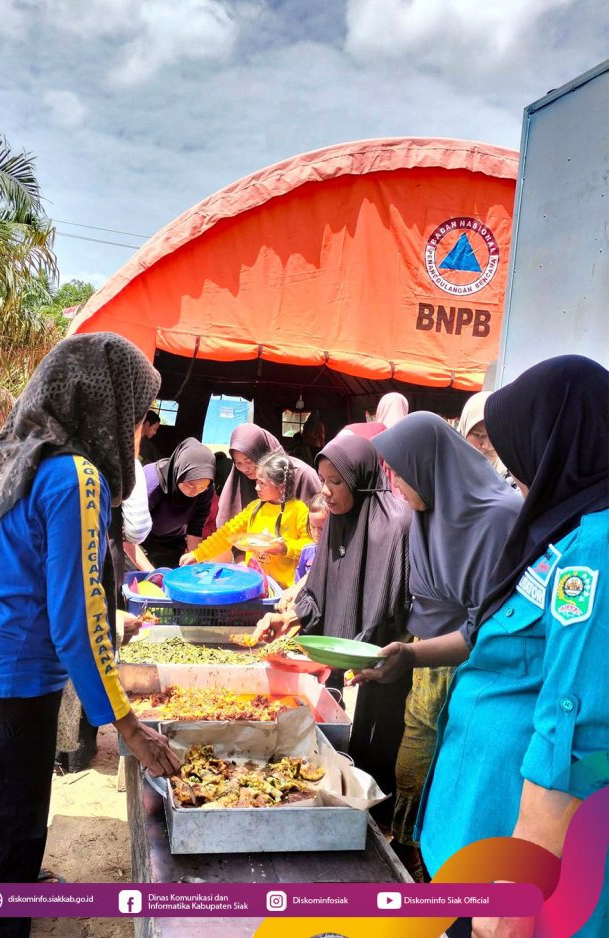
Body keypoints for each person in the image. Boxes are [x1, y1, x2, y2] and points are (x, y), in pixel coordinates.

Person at [0, 333, 182, 938]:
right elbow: (79, 620)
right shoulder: (76, 476)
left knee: (1, 848)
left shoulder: (19, 462)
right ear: (107, 404)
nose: (138, 429)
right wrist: (127, 726)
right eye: (137, 412)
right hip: (7, 699)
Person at [356, 355, 609, 938]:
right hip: (474, 817)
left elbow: (577, 733)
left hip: (515, 848)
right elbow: (490, 632)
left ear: (559, 443)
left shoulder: (595, 549)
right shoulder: (561, 530)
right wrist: (411, 655)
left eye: (518, 454)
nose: (509, 473)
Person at [367, 412, 521, 879]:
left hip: (473, 665)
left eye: (400, 473)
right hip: (426, 653)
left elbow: (486, 625)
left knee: (448, 760)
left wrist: (416, 653)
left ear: (429, 465)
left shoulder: (498, 517)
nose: (395, 485)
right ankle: (411, 846)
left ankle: (430, 860)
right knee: (417, 745)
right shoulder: (428, 509)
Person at [254, 435, 412, 808]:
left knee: (381, 739)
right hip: (340, 658)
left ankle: (380, 818)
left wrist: (361, 647)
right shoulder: (337, 521)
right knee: (345, 746)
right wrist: (289, 618)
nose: (325, 491)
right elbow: (321, 588)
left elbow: (396, 605)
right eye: (323, 480)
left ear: (360, 479)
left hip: (386, 659)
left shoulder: (396, 525)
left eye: (335, 482)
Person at [180, 453, 312, 589]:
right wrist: (198, 554)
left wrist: (284, 548)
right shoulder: (254, 508)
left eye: (262, 483)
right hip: (254, 584)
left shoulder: (298, 510)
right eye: (257, 482)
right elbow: (226, 534)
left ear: (281, 487)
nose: (256, 488)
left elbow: (310, 547)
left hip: (283, 589)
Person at [217, 424, 321, 526]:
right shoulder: (240, 479)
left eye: (249, 461)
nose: (245, 469)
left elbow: (317, 525)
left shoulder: (303, 475)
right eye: (238, 463)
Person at [141, 438, 215, 568]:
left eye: (202, 488)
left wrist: (194, 564)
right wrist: (151, 572)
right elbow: (127, 534)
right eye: (190, 485)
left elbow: (195, 529)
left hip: (172, 541)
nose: (195, 492)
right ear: (179, 471)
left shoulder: (206, 490)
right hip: (139, 541)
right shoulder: (152, 482)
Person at [276, 492, 329, 611]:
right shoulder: (307, 551)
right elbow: (298, 581)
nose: (316, 533)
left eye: (322, 528)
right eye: (313, 527)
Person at [458, 390, 511, 480]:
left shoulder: (515, 478)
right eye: (478, 435)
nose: (487, 446)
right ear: (464, 430)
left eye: (495, 436)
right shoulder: (442, 472)